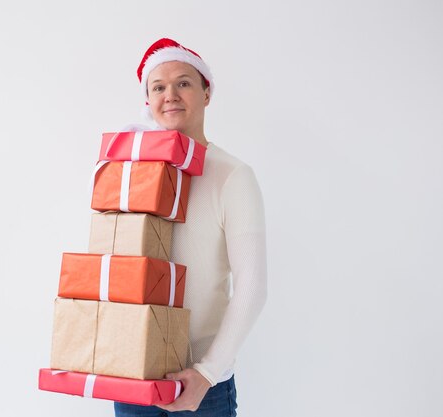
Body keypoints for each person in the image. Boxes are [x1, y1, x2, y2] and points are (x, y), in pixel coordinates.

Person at [113, 38, 268, 417]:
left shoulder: (232, 175)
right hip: (134, 377)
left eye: (183, 82)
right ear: (147, 102)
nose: (171, 95)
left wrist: (206, 374)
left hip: (204, 387)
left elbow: (253, 285)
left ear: (207, 93)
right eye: (158, 87)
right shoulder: (129, 174)